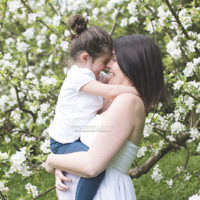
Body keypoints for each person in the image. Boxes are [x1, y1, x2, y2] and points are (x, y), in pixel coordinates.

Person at [46, 34, 165, 200]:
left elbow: (91, 166)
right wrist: (62, 164)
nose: (107, 65)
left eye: (114, 60)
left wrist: (52, 161)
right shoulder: (106, 99)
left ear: (132, 65)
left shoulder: (128, 101)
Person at [48, 14, 138, 200]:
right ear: (85, 58)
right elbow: (111, 91)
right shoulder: (79, 77)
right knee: (95, 167)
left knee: (93, 165)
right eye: (104, 62)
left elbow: (109, 83)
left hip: (70, 140)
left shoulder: (92, 74)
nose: (106, 68)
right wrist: (136, 92)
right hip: (63, 142)